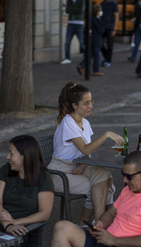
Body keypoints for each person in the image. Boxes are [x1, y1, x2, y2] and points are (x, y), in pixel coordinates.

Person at [48, 82, 124, 226]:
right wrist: (106, 135)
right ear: (74, 105)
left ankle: (95, 223)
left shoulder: (85, 123)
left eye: (91, 102)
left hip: (75, 167)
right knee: (99, 186)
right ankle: (92, 224)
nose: (90, 106)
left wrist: (83, 164)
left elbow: (87, 150)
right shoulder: (67, 122)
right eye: (86, 103)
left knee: (104, 175)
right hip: (59, 173)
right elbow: (85, 149)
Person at [77, 4, 105, 76]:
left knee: (91, 54)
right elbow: (101, 30)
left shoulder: (90, 18)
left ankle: (82, 65)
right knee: (96, 55)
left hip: (91, 39)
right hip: (96, 40)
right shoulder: (96, 19)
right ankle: (95, 70)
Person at [61, 0, 85, 64]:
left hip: (79, 23)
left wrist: (72, 9)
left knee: (82, 41)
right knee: (67, 42)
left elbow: (81, 10)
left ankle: (86, 56)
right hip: (71, 22)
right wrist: (74, 9)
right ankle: (67, 57)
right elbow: (67, 10)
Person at [100, 0, 119, 67]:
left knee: (110, 44)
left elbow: (116, 16)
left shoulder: (114, 4)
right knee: (100, 42)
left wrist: (114, 28)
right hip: (103, 26)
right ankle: (106, 56)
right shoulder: (102, 3)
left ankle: (108, 60)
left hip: (110, 27)